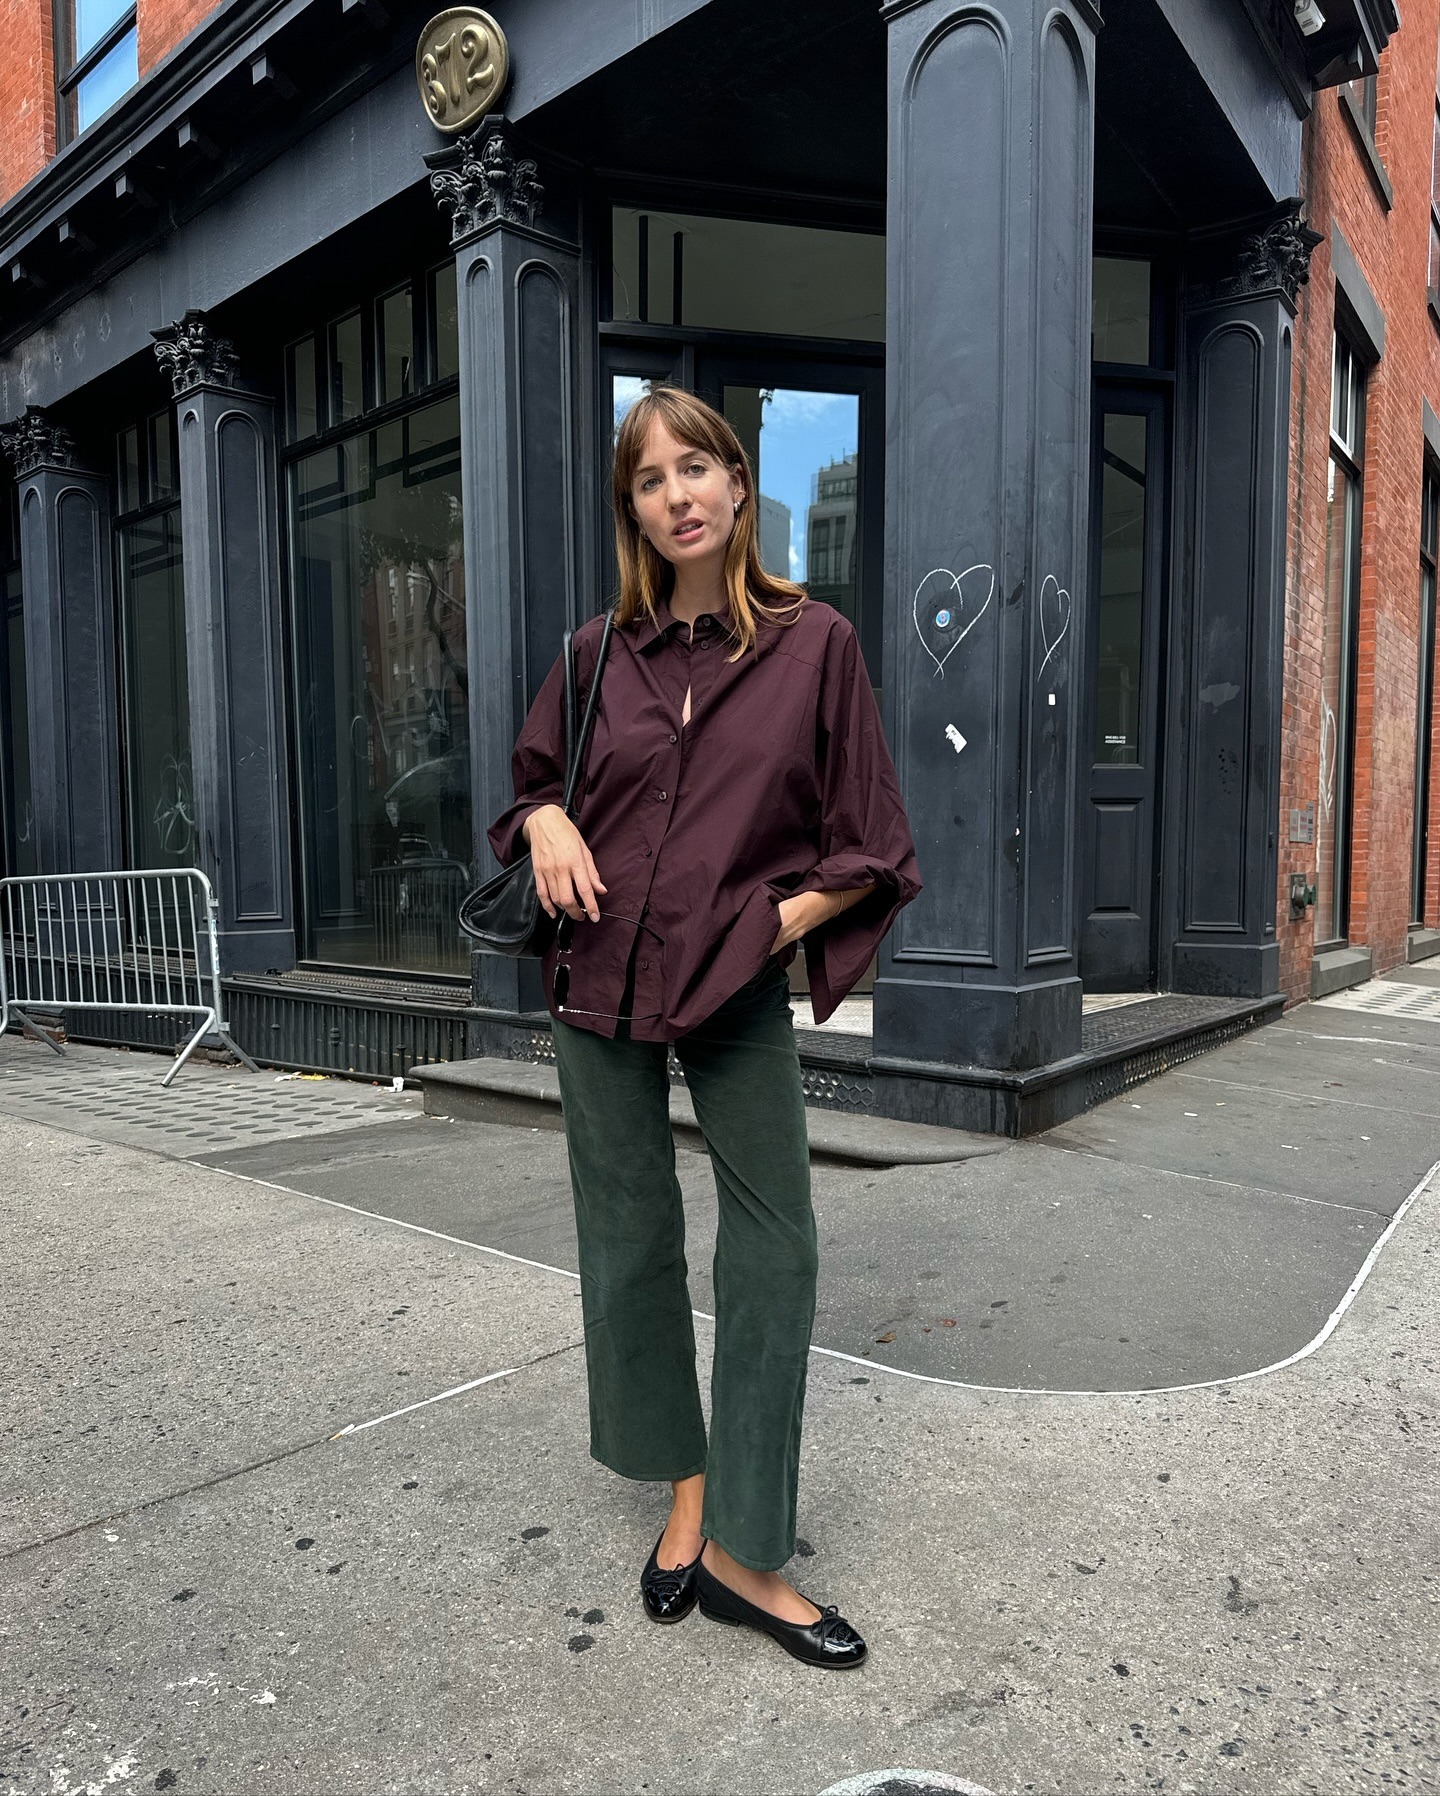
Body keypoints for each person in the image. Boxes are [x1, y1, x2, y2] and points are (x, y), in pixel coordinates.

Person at [487, 386, 919, 1669]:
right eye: (649, 478)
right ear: (632, 509)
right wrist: (546, 820)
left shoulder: (814, 643)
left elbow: (875, 845)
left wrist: (773, 923)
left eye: (698, 467)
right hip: (597, 983)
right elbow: (523, 794)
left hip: (732, 987)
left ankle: (747, 1547)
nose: (677, 494)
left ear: (739, 484)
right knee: (628, 1241)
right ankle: (683, 1490)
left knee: (776, 1246)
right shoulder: (591, 656)